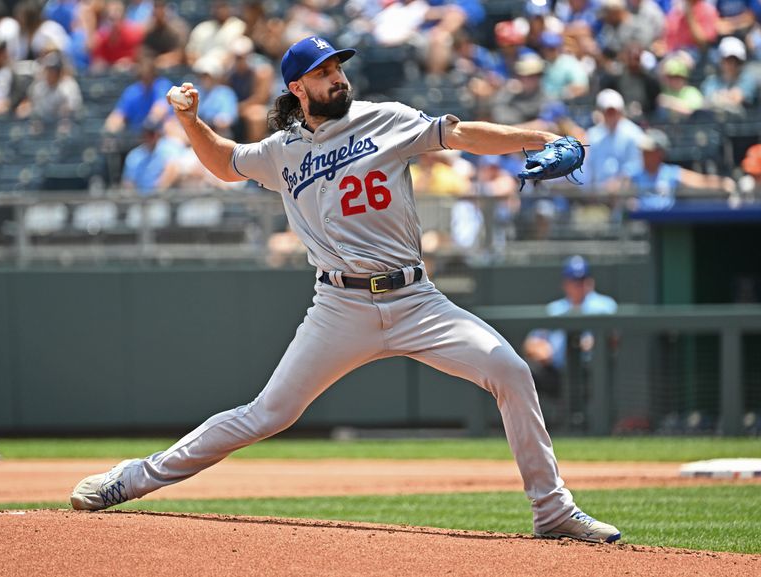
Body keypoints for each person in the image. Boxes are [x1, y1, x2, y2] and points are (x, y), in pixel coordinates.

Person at [70, 36, 621, 544]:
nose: (336, 77)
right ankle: (132, 479)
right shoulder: (281, 151)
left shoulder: (388, 119)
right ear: (297, 88)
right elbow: (225, 162)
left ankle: (551, 510)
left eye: (337, 66)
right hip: (339, 305)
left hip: (415, 298)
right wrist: (190, 121)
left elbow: (462, 134)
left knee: (510, 371)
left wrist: (541, 138)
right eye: (322, 71)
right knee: (268, 414)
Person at [522, 256, 617, 429]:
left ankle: (598, 427)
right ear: (565, 283)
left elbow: (614, 337)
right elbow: (531, 342)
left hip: (590, 372)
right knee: (527, 371)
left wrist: (596, 344)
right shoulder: (555, 309)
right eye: (574, 281)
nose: (578, 285)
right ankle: (533, 427)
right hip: (557, 372)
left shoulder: (604, 305)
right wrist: (540, 349)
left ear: (590, 281)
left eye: (582, 280)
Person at [627, 128, 735, 211]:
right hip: (639, 225)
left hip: (665, 222)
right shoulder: (634, 173)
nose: (644, 155)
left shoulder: (670, 172)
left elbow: (700, 181)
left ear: (660, 153)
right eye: (643, 152)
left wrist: (723, 183)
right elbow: (614, 188)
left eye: (649, 152)